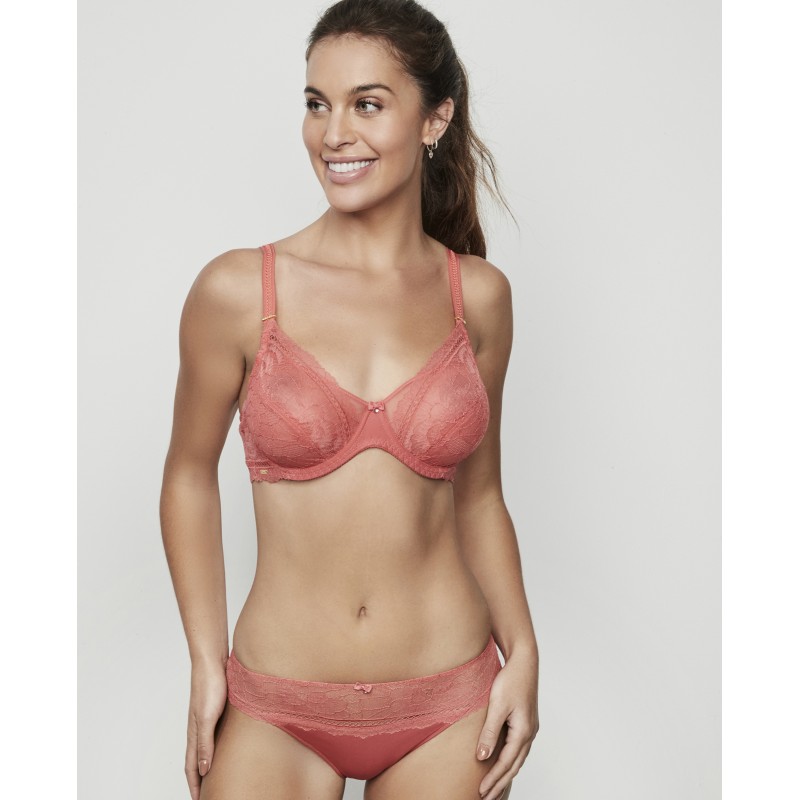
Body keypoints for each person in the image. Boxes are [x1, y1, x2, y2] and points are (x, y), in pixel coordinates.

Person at [160, 1, 540, 798]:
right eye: (316, 103)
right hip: (276, 705)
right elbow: (188, 476)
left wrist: (525, 651)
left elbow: (480, 497)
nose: (333, 134)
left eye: (367, 104)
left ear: (435, 119)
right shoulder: (239, 290)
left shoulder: (479, 298)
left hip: (448, 705)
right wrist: (205, 661)